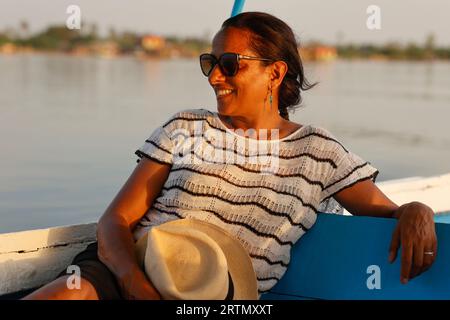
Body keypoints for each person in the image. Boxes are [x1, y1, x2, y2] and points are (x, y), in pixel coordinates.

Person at [23, 11, 437, 300]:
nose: (215, 77)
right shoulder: (186, 128)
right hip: (123, 274)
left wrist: (415, 210)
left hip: (218, 295)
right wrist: (134, 284)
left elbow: (388, 213)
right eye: (210, 63)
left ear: (274, 73)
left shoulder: (319, 153)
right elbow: (117, 219)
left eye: (229, 64)